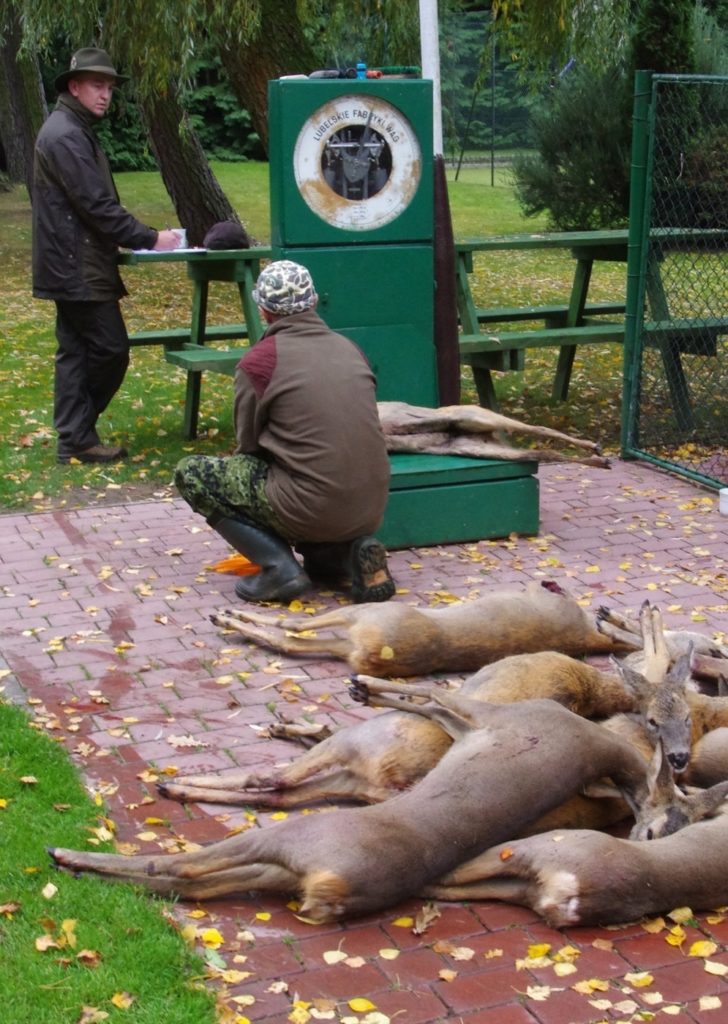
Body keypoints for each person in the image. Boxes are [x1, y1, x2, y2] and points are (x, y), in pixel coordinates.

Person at [175, 260, 396, 605]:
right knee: (312, 476)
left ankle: (279, 568)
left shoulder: (259, 362)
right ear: (313, 301)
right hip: (371, 504)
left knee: (192, 473)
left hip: (311, 505)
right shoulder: (350, 349)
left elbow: (247, 445)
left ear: (263, 310)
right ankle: (345, 558)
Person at [32, 47, 180, 465]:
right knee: (110, 349)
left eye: (110, 87)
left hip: (72, 259)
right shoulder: (65, 134)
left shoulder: (71, 129)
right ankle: (77, 434)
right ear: (74, 87)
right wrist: (150, 238)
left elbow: (85, 206)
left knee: (76, 351)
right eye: (97, 85)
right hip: (75, 265)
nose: (105, 95)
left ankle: (73, 438)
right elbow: (95, 204)